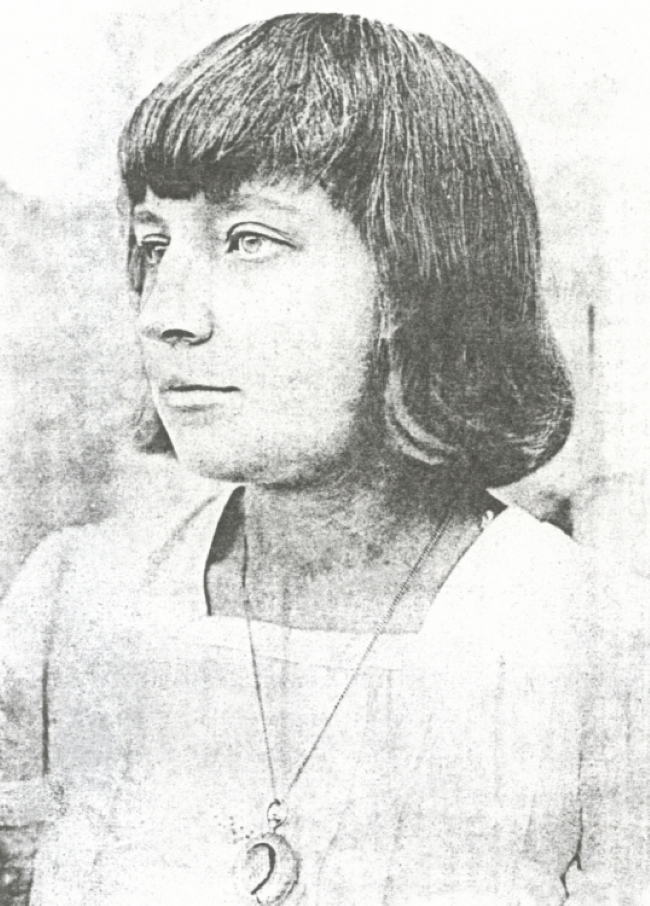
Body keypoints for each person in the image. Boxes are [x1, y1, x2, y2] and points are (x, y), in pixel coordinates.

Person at [1, 12, 648, 905]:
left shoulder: (599, 652)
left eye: (248, 240)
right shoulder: (69, 613)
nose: (164, 315)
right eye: (154, 245)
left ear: (417, 278)